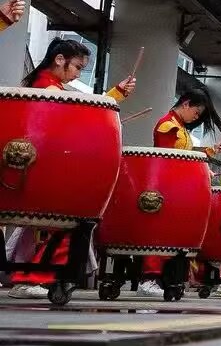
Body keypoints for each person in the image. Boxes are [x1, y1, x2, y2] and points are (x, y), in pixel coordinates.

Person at [7, 39, 137, 297]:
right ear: (59, 60)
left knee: (61, 229)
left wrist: (116, 94)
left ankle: (33, 278)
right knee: (68, 227)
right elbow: (78, 116)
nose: (78, 74)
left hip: (39, 172)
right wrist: (113, 96)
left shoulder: (49, 86)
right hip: (44, 174)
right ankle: (31, 279)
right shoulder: (47, 89)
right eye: (77, 67)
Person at [153, 86, 221, 157]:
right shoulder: (168, 125)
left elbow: (188, 156)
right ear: (186, 104)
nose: (196, 117)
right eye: (196, 113)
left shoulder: (180, 126)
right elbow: (166, 160)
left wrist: (213, 150)